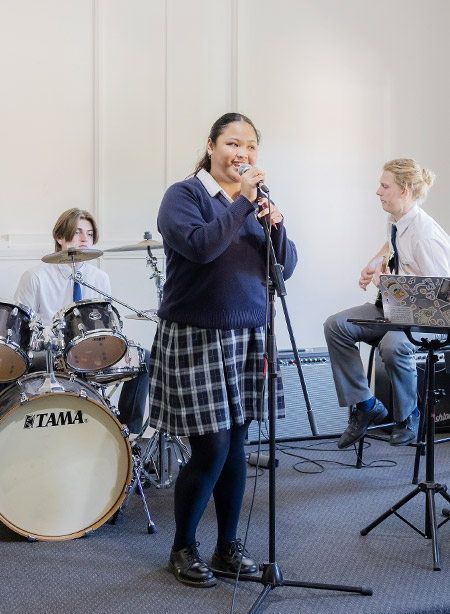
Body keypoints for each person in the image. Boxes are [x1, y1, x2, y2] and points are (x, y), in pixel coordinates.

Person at [148, 112, 298, 587]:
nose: (243, 153)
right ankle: (182, 547)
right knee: (210, 446)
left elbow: (284, 269)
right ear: (211, 146)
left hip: (247, 334)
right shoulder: (184, 196)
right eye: (234, 143)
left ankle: (226, 547)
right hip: (196, 334)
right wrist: (240, 205)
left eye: (251, 146)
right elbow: (201, 247)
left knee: (236, 442)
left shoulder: (255, 204)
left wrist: (274, 225)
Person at [324, 159, 450, 449]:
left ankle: (408, 416)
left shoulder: (426, 237)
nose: (378, 192)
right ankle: (366, 405)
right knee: (336, 326)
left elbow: (442, 299)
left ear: (403, 191)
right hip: (396, 309)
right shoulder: (398, 219)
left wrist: (391, 286)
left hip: (428, 318)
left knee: (392, 345)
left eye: (384, 186)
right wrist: (374, 263)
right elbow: (391, 243)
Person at [13, 208, 149, 434]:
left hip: (90, 351)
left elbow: (103, 326)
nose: (85, 239)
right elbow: (20, 327)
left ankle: (125, 431)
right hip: (49, 354)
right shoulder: (35, 276)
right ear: (60, 237)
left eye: (89, 233)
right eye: (77, 233)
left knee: (144, 357)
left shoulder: (99, 278)